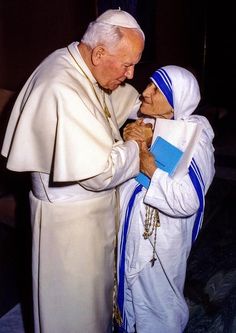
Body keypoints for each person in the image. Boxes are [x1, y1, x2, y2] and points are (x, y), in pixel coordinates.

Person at [1, 9, 151, 333]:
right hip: (69, 228)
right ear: (99, 53)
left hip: (85, 220)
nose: (130, 74)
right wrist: (136, 149)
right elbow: (100, 172)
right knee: (72, 313)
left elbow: (116, 101)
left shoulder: (82, 64)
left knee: (93, 305)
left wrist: (151, 106)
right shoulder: (62, 86)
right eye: (127, 64)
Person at [116, 65, 215, 333]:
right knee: (128, 303)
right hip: (132, 235)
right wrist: (130, 142)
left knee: (159, 307)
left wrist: (146, 159)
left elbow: (187, 199)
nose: (145, 92)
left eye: (156, 90)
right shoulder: (150, 124)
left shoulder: (195, 141)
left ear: (176, 104)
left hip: (160, 245)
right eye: (149, 84)